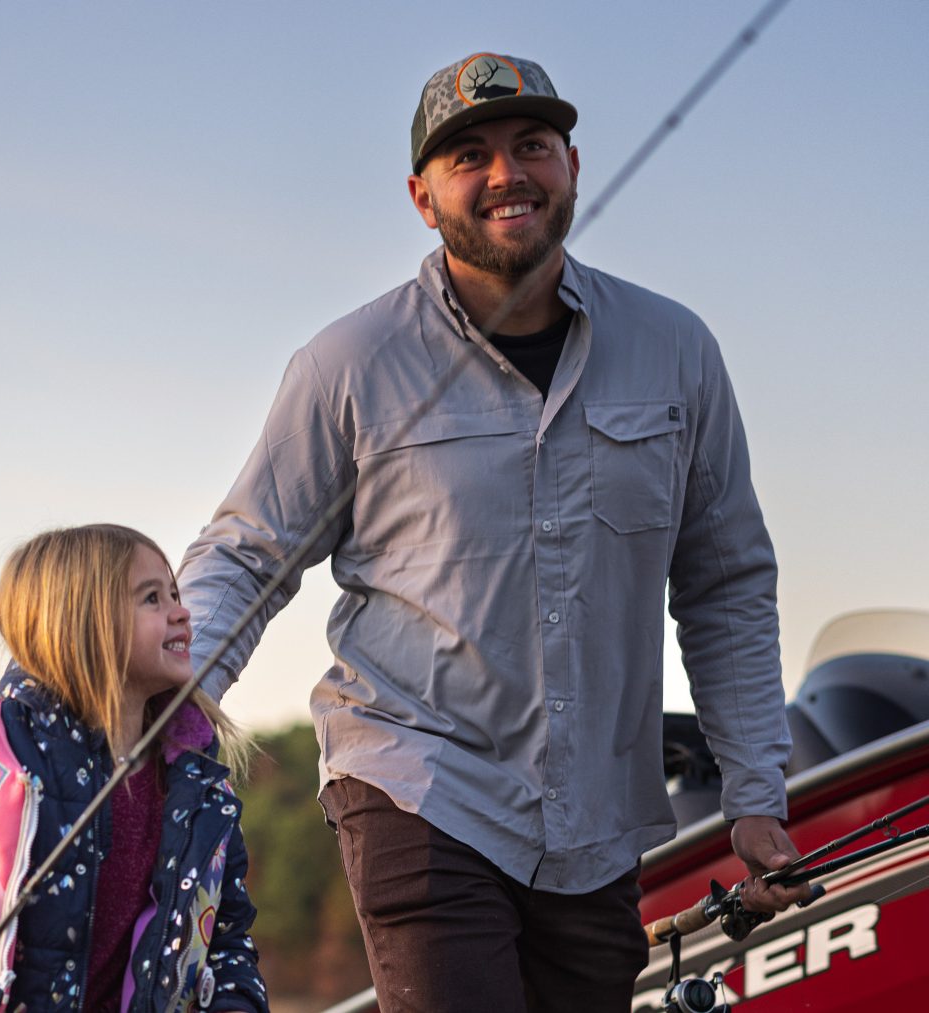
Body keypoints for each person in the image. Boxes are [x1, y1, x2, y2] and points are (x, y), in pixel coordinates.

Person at [176, 51, 811, 1011]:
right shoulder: (347, 363)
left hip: (600, 817)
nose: (507, 172)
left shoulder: (678, 350)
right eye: (469, 156)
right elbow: (246, 554)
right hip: (416, 785)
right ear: (423, 197)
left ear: (572, 166)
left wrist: (756, 791)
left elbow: (725, 582)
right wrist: (169, 708)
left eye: (532, 146)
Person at [0, 525, 268, 1013]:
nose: (182, 611)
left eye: (174, 593)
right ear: (82, 624)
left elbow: (228, 941)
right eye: (152, 598)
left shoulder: (198, 788)